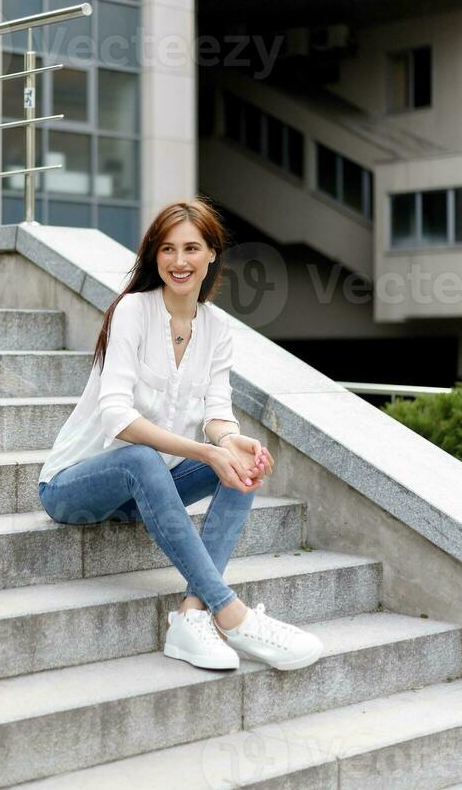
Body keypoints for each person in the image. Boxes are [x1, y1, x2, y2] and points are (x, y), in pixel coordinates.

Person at [38, 196, 323, 672]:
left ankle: (191, 616)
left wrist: (230, 442)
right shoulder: (133, 311)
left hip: (143, 495)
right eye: (167, 249)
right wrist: (205, 452)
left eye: (191, 248)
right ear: (155, 256)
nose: (178, 261)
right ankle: (231, 614)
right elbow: (117, 420)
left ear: (212, 253)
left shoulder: (216, 328)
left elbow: (217, 410)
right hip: (74, 488)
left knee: (241, 466)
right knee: (143, 456)